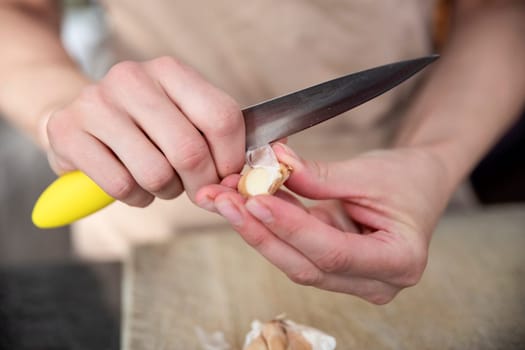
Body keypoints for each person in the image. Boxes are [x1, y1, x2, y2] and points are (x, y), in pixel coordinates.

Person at [0, 0, 524, 304]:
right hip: (152, 211)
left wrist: (432, 158)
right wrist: (60, 108)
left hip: (412, 198)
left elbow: (499, 11)